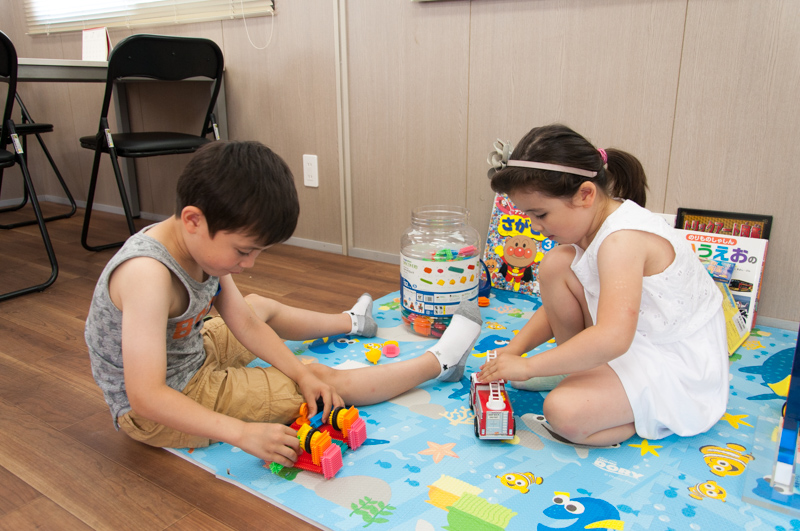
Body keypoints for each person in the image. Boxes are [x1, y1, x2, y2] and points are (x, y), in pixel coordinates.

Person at [85, 140, 483, 467]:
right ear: (193, 220)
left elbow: (245, 322)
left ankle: (349, 320)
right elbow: (146, 396)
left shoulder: (200, 245)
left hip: (190, 351)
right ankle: (440, 363)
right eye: (243, 251)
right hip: (161, 403)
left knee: (259, 308)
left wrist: (296, 371)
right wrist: (242, 432)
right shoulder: (147, 276)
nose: (249, 264)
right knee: (323, 383)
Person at [477, 124, 728, 446]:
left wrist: (528, 366)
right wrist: (512, 352)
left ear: (585, 194)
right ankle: (579, 371)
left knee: (563, 412)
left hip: (672, 363)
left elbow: (612, 338)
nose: (535, 227)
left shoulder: (622, 242)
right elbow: (555, 310)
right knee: (556, 264)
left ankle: (636, 411)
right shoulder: (594, 223)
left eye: (540, 214)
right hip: (627, 337)